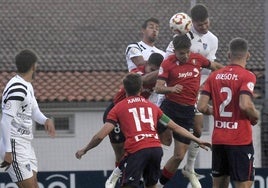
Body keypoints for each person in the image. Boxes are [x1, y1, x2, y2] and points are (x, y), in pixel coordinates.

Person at [75, 73, 211, 188]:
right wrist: (197, 139)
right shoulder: (153, 107)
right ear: (141, 88)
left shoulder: (117, 108)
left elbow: (100, 136)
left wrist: (85, 149)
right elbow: (175, 127)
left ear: (124, 89)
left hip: (137, 151)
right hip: (156, 149)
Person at [155, 34, 223, 187]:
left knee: (179, 155)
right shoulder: (167, 63)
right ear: (175, 51)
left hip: (186, 113)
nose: (185, 56)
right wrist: (171, 89)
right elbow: (158, 88)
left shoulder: (197, 59)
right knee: (158, 144)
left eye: (187, 52)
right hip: (169, 109)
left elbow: (215, 66)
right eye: (181, 53)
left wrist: (231, 73)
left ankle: (159, 184)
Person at [164, 4, 219, 187]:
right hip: (175, 89)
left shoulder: (213, 39)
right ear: (191, 23)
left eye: (206, 23)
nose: (204, 27)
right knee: (166, 138)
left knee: (198, 128)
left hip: (197, 90)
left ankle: (189, 167)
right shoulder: (181, 37)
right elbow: (168, 62)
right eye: (200, 24)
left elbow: (211, 65)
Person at [197, 37, 259, 188]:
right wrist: (255, 116)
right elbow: (245, 104)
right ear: (248, 55)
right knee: (243, 184)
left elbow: (201, 106)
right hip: (240, 140)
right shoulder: (247, 75)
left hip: (219, 140)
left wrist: (215, 112)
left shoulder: (214, 76)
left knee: (218, 185)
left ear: (229, 55)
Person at [104, 53, 164, 188]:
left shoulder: (159, 80)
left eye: (157, 69)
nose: (154, 72)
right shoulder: (137, 72)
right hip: (116, 112)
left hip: (133, 115)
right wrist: (162, 70)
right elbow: (143, 79)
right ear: (146, 64)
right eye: (152, 69)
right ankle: (118, 178)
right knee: (120, 151)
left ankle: (137, 177)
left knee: (136, 147)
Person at [0, 49, 56, 188]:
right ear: (33, 66)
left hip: (26, 144)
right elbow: (5, 121)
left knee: (33, 184)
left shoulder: (27, 86)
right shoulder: (17, 88)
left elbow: (34, 111)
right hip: (14, 145)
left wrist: (45, 120)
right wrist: (8, 151)